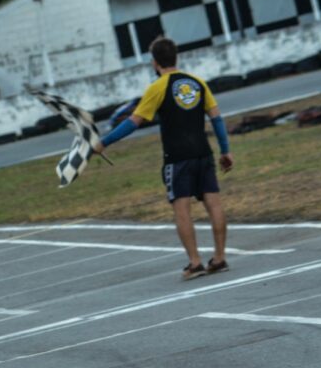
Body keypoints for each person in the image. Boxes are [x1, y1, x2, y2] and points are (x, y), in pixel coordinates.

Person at [94, 36, 234, 281]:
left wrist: (104, 142)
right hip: (203, 153)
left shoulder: (157, 88)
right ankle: (220, 258)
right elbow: (217, 119)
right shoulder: (197, 83)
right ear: (176, 57)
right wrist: (225, 150)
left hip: (177, 158)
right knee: (214, 204)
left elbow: (132, 123)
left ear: (154, 62)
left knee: (182, 210)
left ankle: (195, 263)